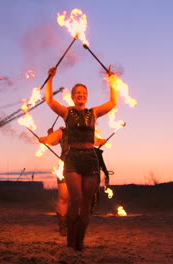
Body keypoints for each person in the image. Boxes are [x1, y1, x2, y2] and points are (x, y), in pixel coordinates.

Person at [45, 66, 118, 250]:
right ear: (72, 96)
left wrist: (112, 81)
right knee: (76, 199)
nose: (81, 95)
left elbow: (112, 102)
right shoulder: (67, 112)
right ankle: (70, 240)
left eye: (84, 92)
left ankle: (79, 243)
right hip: (72, 159)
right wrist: (51, 78)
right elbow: (49, 100)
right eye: (77, 92)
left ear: (87, 96)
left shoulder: (93, 113)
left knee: (86, 204)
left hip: (90, 159)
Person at [39, 127, 108, 237]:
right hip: (65, 166)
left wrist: (102, 141)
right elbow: (52, 141)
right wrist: (46, 138)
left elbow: (95, 141)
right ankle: (63, 226)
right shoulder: (62, 131)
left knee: (78, 198)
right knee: (64, 197)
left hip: (84, 167)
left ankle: (75, 225)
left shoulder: (85, 130)